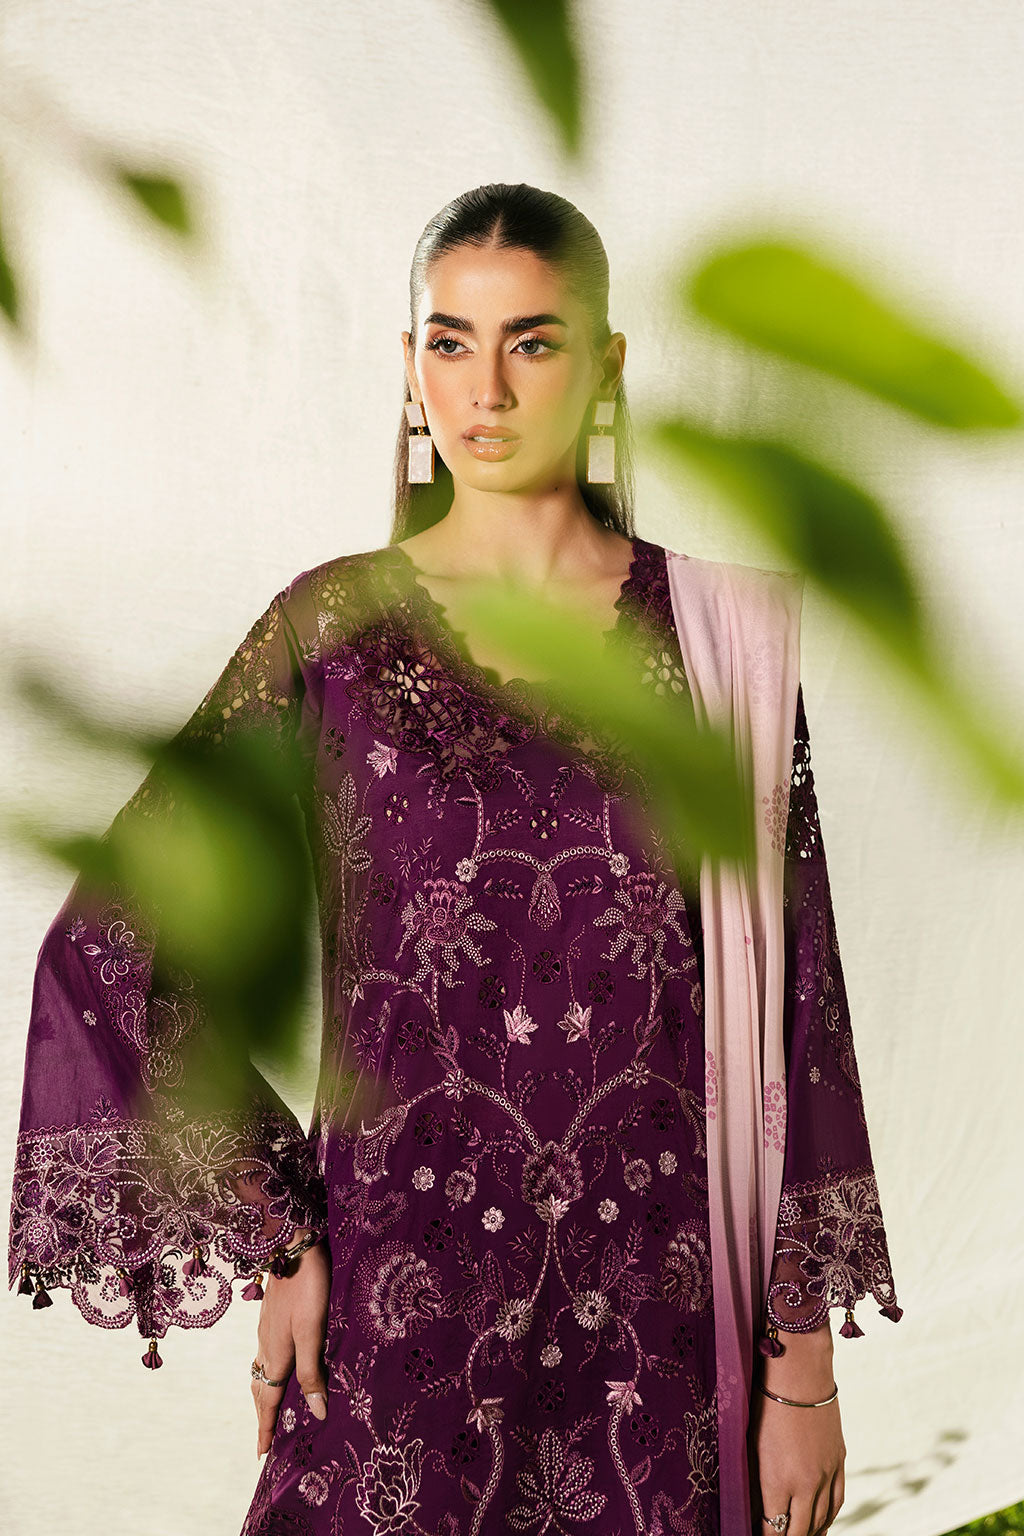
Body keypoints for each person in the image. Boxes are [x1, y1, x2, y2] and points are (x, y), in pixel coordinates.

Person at [9, 182, 903, 1536]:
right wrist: (279, 1230)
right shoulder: (331, 633)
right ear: (410, 362)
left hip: (660, 1331)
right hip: (399, 1319)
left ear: (605, 365)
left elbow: (801, 1012)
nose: (485, 389)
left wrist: (804, 1375)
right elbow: (112, 943)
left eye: (532, 342)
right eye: (450, 341)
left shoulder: (720, 644)